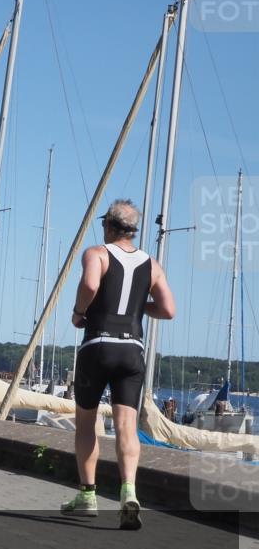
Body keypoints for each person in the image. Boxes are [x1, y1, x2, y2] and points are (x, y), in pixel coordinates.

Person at [61, 199, 175, 529]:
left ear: (109, 226)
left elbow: (91, 285)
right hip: (132, 351)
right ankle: (128, 492)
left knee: (86, 422)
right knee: (126, 425)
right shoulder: (152, 265)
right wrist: (138, 308)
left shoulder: (96, 253)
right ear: (132, 230)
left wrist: (79, 312)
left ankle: (88, 494)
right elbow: (168, 310)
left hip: (98, 345)